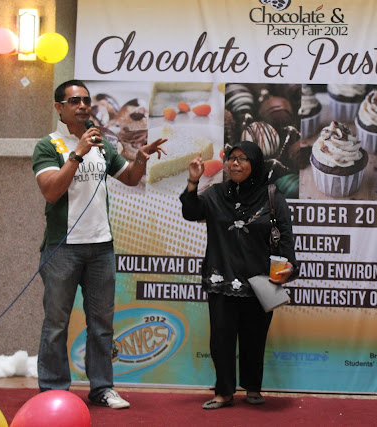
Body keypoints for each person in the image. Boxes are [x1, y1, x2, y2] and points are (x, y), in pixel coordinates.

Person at [32, 79, 166, 409]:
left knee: (102, 325)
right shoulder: (48, 146)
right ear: (59, 107)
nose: (82, 106)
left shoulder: (102, 144)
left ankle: (102, 388)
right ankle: (53, 391)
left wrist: (141, 159)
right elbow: (51, 191)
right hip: (63, 248)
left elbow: (130, 178)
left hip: (101, 247)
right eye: (74, 101)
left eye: (86, 100)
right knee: (56, 324)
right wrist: (77, 153)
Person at [180, 141, 298, 409]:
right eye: (232, 158)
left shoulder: (271, 195)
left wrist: (290, 266)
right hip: (222, 277)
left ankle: (253, 388)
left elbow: (285, 234)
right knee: (221, 339)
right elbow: (191, 212)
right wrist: (193, 181)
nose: (235, 163)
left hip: (261, 280)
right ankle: (223, 392)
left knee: (254, 339)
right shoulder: (215, 193)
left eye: (243, 159)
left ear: (255, 164)